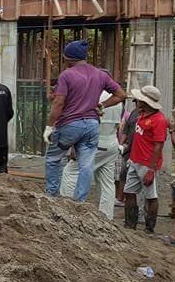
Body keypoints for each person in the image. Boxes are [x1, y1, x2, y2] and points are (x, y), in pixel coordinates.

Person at [43, 40, 126, 201]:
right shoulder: (100, 74)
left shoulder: (67, 75)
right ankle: (80, 201)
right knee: (86, 165)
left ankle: (52, 195)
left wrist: (49, 126)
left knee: (53, 158)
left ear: (68, 58)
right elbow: (121, 95)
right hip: (92, 125)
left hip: (70, 124)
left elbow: (59, 102)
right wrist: (102, 105)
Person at [60, 89, 123, 219]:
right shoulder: (116, 100)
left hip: (93, 140)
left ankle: (67, 211)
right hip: (111, 142)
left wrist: (74, 145)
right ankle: (107, 217)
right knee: (107, 182)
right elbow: (118, 125)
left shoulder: (92, 95)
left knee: (70, 172)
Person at [122, 85, 167, 233]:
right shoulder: (141, 114)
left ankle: (149, 227)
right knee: (129, 192)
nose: (136, 101)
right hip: (135, 160)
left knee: (150, 196)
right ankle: (130, 225)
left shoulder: (158, 119)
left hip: (147, 163)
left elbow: (158, 146)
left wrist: (151, 170)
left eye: (139, 99)